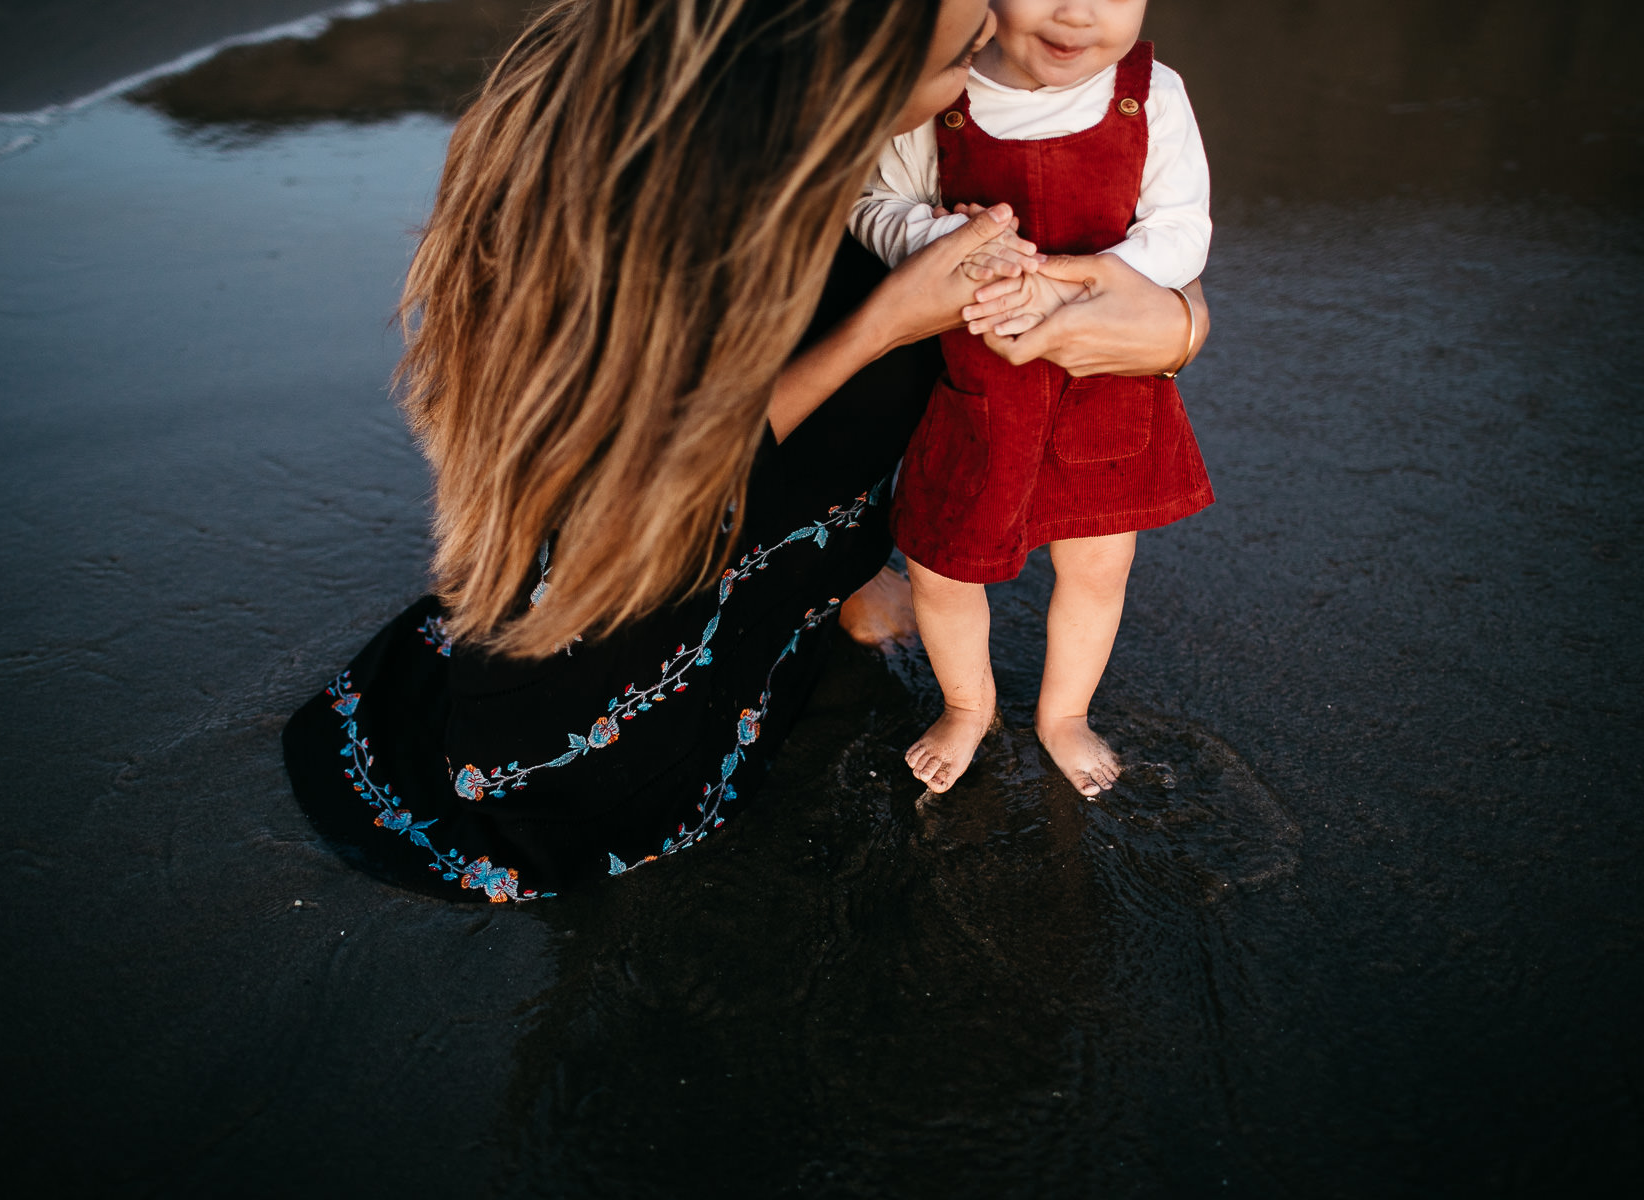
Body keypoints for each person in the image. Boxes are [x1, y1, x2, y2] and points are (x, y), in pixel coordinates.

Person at [281, 0, 1208, 903]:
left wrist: (1173, 327)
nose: (981, 83)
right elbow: (637, 483)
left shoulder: (863, 161)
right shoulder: (653, 204)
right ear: (839, 77)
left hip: (779, 569)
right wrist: (885, 323)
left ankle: (832, 580)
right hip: (636, 609)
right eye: (957, 60)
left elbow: (1163, 279)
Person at [848, 0, 1214, 797]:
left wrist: (1070, 281)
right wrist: (937, 240)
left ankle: (1064, 714)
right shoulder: (939, 96)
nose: (1078, 12)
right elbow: (873, 205)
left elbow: (1184, 229)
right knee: (943, 568)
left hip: (1104, 383)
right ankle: (966, 705)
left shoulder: (1150, 95)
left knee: (1097, 563)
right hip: (978, 389)